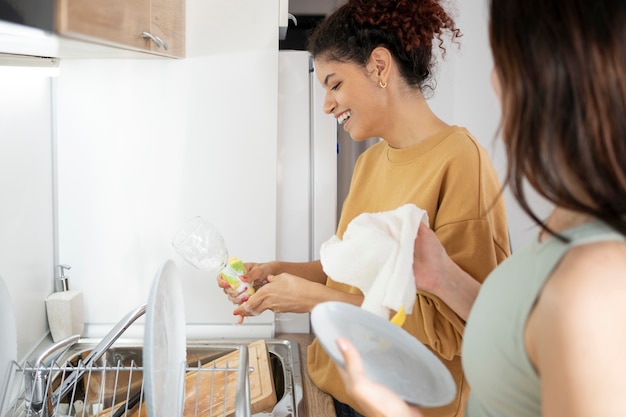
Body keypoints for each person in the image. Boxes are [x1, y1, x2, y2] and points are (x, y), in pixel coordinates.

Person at [333, 0, 626, 416]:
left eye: (504, 58)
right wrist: (444, 278)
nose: (493, 79)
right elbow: (523, 329)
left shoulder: (594, 283)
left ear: (556, 74)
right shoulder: (571, 225)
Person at [220, 0, 510, 416]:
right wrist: (276, 273)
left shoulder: (461, 162)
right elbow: (344, 273)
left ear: (378, 67)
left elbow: (459, 329)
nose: (326, 105)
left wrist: (313, 300)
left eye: (334, 84)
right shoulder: (370, 161)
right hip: (339, 385)